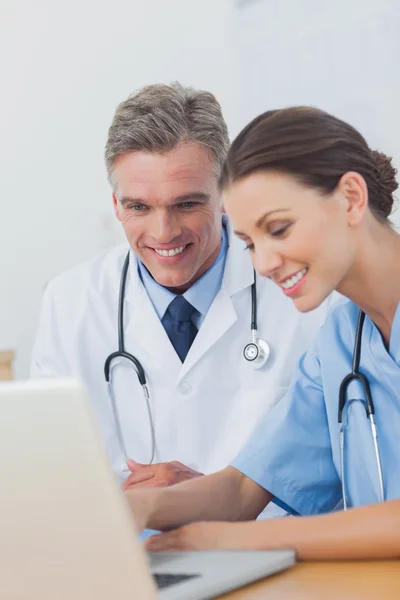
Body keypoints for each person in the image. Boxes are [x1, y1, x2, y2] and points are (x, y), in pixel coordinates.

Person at [30, 85, 330, 502]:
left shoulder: (305, 293)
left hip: (269, 549)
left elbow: (332, 474)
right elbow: (51, 471)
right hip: (130, 552)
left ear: (225, 194)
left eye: (187, 204)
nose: (164, 232)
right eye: (139, 207)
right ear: (116, 205)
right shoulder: (70, 302)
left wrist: (211, 497)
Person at [125, 106, 400, 560]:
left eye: (279, 229)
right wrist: (134, 508)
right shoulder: (341, 341)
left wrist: (226, 541)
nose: (264, 263)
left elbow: (235, 525)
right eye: (251, 243)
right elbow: (241, 489)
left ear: (351, 197)